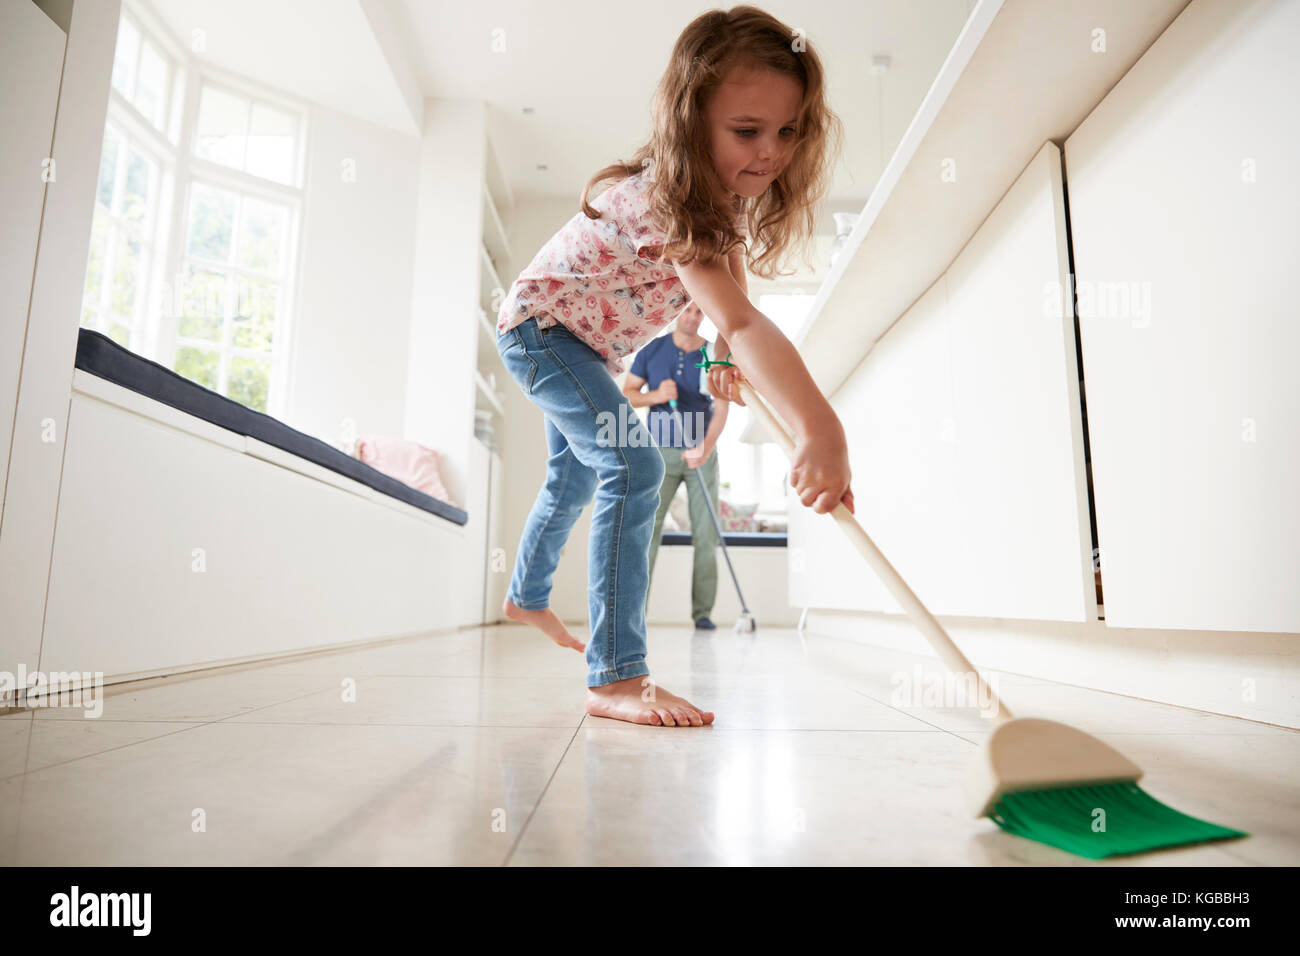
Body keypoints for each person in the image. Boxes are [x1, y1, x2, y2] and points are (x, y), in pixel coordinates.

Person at [494, 5, 854, 728]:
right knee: (634, 466)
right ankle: (615, 677)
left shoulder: (718, 206)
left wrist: (721, 355)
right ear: (691, 124)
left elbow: (732, 309)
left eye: (788, 131)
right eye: (747, 131)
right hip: (540, 333)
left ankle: (526, 594)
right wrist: (820, 426)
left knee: (573, 473)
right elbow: (746, 319)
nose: (771, 151)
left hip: (582, 345)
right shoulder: (666, 200)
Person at [624, 303, 728, 630]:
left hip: (701, 452)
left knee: (706, 532)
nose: (693, 318)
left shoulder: (713, 353)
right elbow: (627, 395)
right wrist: (655, 395)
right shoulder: (652, 350)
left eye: (700, 312)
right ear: (675, 313)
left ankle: (703, 614)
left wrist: (706, 448)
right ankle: (635, 614)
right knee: (647, 531)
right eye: (687, 311)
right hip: (659, 455)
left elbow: (723, 405)